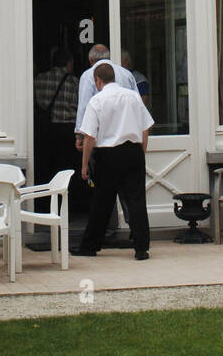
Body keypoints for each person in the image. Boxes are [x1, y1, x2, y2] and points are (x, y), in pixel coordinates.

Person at [72, 61, 153, 259]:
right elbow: (146, 126)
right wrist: (141, 150)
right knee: (136, 200)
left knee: (102, 201)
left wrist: (84, 165)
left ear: (97, 80)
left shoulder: (97, 101)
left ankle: (90, 246)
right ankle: (141, 247)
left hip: (108, 155)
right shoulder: (133, 96)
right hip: (133, 151)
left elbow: (90, 136)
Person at [33, 49, 79, 186]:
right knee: (68, 167)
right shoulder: (75, 83)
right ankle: (67, 194)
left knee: (50, 166)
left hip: (49, 129)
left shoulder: (39, 80)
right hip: (68, 130)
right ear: (69, 63)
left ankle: (50, 193)